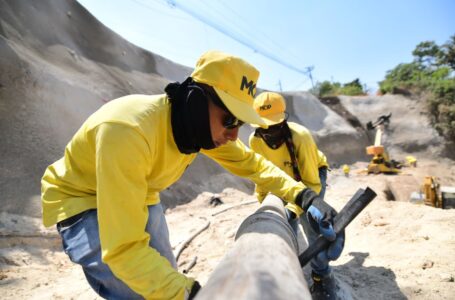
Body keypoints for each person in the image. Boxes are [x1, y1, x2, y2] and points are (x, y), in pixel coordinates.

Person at [41, 50, 342, 299]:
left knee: (162, 276)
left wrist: (304, 195)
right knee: (138, 290)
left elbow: (253, 164)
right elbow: (122, 250)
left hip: (141, 194)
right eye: (230, 119)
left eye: (241, 123)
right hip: (82, 201)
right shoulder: (128, 132)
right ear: (196, 101)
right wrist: (193, 293)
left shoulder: (196, 128)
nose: (235, 134)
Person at [249, 91, 344, 300]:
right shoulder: (255, 141)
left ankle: (322, 277)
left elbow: (311, 184)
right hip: (280, 182)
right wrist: (267, 205)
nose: (268, 132)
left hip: (309, 180)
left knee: (312, 229)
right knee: (285, 229)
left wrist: (293, 209)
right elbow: (260, 175)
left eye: (273, 126)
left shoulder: (300, 136)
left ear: (284, 121)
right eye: (263, 127)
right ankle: (291, 273)